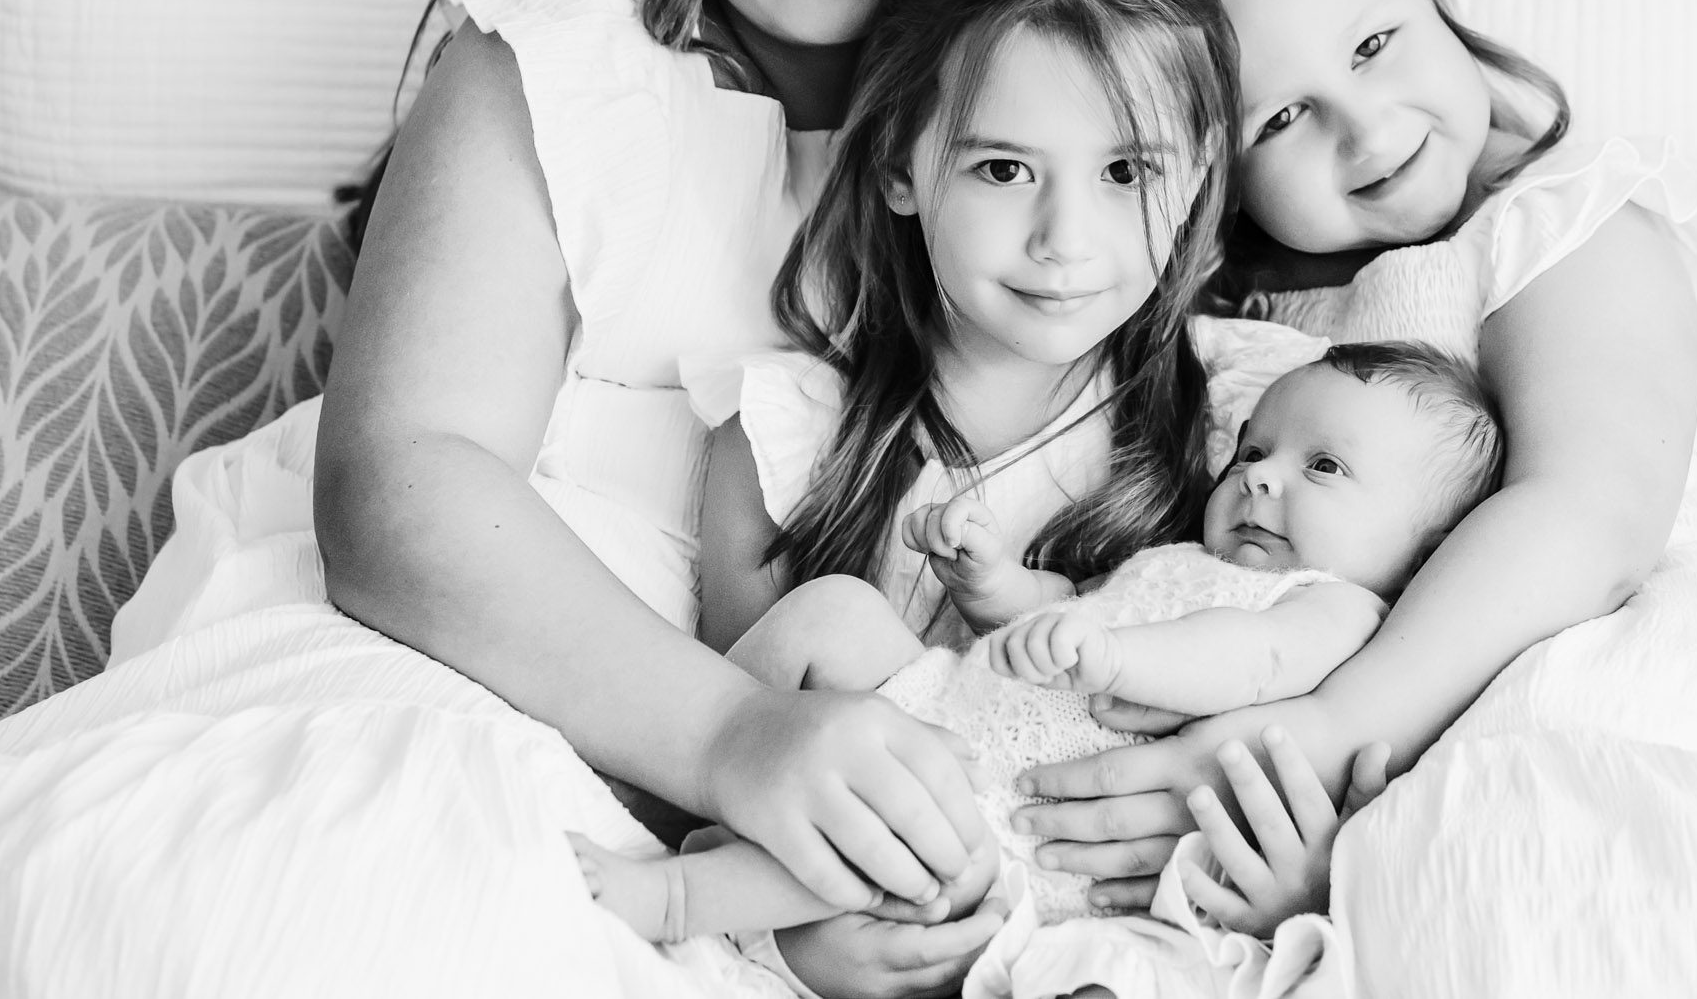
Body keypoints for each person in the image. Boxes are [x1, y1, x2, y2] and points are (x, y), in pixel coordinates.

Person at [300, 0, 1055, 994]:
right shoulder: (578, 44)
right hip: (453, 678)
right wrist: (736, 739)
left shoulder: (1073, 111)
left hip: (800, 822)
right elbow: (396, 479)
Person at [1002, 0, 1697, 910]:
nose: (1368, 131)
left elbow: (1589, 512)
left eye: (1375, 44)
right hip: (1295, 776)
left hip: (1578, 695)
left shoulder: (1557, 222)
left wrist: (1329, 730)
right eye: (1282, 116)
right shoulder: (1230, 315)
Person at [576, 338, 1500, 971]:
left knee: (894, 841)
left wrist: (1116, 656)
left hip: (1020, 818)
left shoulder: (1339, 610)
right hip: (952, 703)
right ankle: (674, 770)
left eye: (1323, 466)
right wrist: (995, 587)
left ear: (1426, 547)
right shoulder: (1190, 557)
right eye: (1254, 449)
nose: (1260, 474)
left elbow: (1248, 660)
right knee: (835, 611)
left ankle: (678, 899)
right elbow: (1069, 611)